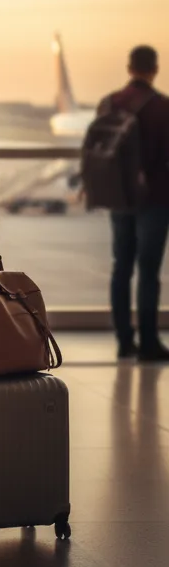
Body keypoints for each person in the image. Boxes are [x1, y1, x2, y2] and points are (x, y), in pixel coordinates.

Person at [99, 45, 169, 361]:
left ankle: (124, 341)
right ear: (154, 69)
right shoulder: (163, 107)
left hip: (119, 198)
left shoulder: (110, 103)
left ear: (129, 68)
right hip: (154, 198)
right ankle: (150, 342)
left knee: (121, 268)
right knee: (148, 270)